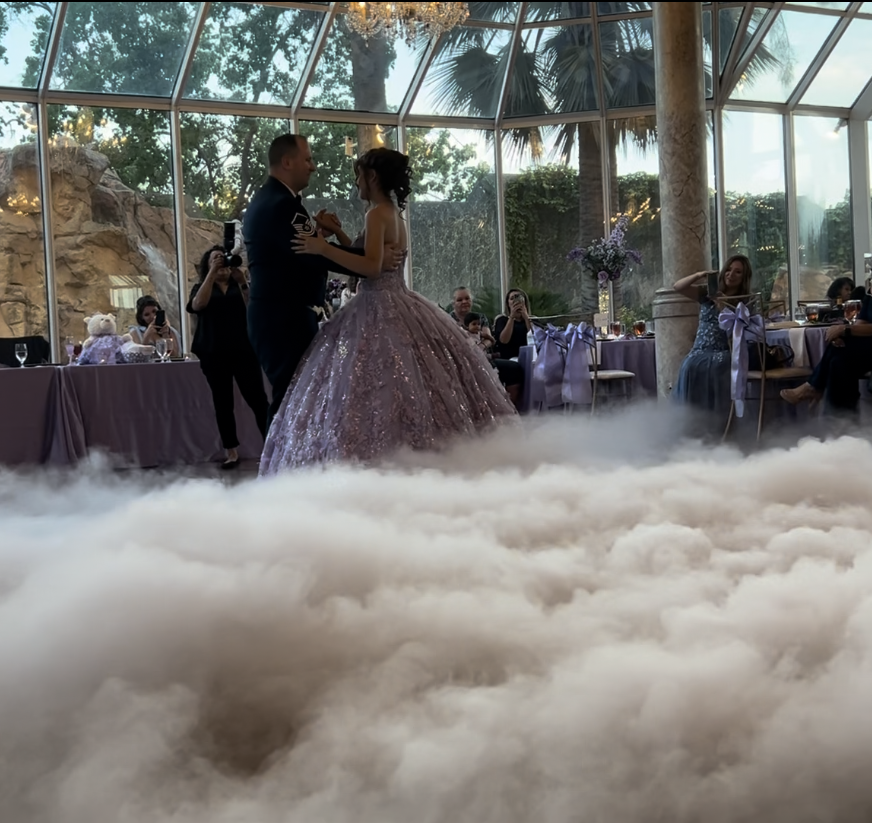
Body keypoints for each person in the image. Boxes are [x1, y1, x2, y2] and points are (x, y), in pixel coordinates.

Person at [259, 148, 517, 473]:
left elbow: (369, 267)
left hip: (377, 305)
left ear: (372, 177)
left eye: (358, 175)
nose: (356, 182)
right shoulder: (392, 213)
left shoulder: (375, 214)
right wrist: (338, 236)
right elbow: (373, 258)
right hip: (399, 300)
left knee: (372, 386)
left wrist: (322, 247)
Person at [243, 134, 404, 428]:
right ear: (287, 162)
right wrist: (372, 260)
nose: (313, 166)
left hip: (281, 315)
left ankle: (282, 455)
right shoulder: (281, 205)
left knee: (296, 397)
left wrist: (326, 243)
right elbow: (312, 255)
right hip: (282, 318)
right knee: (291, 399)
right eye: (308, 159)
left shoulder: (274, 200)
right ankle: (278, 457)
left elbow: (307, 250)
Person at [187, 247, 269, 470]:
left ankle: (271, 447)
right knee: (223, 403)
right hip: (213, 353)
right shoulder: (201, 287)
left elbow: (253, 309)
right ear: (207, 264)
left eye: (223, 258)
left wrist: (242, 281)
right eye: (215, 259)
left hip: (243, 351)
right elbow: (198, 305)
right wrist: (211, 274)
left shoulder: (238, 285)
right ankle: (231, 452)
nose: (221, 262)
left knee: (259, 401)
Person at [672, 255, 753, 413]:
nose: (731, 274)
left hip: (724, 349)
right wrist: (700, 275)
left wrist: (724, 306)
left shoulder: (744, 301)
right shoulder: (708, 292)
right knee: (689, 365)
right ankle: (690, 418)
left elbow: (741, 329)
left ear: (744, 277)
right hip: (700, 349)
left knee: (716, 366)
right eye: (728, 269)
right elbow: (678, 287)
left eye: (738, 272)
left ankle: (716, 419)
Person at [780, 296, 872, 413]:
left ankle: (814, 387)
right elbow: (859, 325)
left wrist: (845, 329)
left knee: (840, 353)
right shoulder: (869, 297)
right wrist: (843, 335)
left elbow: (851, 328)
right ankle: (841, 419)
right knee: (838, 360)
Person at [493, 289, 533, 360]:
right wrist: (511, 317)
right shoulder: (502, 320)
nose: (515, 301)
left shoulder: (532, 320)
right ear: (508, 303)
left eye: (518, 297)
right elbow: (503, 340)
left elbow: (536, 338)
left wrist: (526, 317)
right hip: (508, 359)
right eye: (512, 298)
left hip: (529, 357)